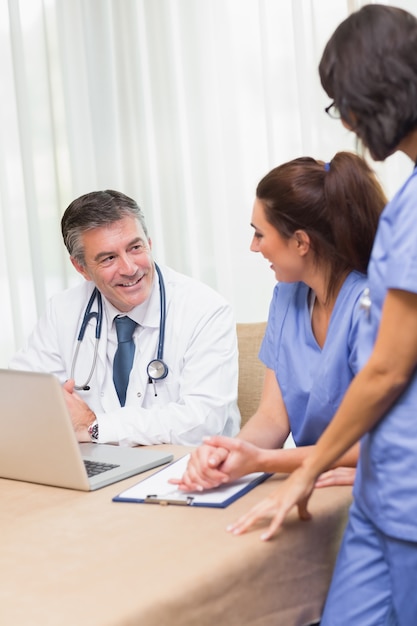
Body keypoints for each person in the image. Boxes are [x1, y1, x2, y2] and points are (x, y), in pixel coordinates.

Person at [225, 5, 417, 625]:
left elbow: (387, 371)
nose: (349, 123)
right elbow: (274, 417)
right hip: (379, 495)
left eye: (341, 104)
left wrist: (308, 464)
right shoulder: (406, 203)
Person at [171, 151, 386, 493]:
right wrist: (226, 454)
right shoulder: (286, 297)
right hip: (311, 477)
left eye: (260, 234)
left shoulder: (374, 306)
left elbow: (383, 444)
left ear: (301, 242)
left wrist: (261, 461)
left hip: (368, 481)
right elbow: (273, 418)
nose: (254, 247)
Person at [10, 190, 240, 446]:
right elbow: (21, 398)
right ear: (81, 268)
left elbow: (201, 423)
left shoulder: (205, 309)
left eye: (135, 247)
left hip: (185, 469)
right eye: (109, 258)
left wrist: (96, 427)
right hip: (96, 465)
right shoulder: (62, 311)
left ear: (149, 244)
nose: (130, 269)